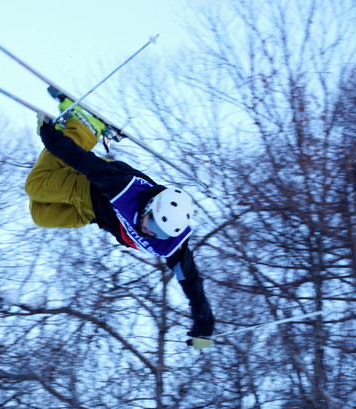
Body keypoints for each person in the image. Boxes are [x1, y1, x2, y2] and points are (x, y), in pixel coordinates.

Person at [25, 96, 215, 349]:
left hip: (92, 215)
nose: (150, 232)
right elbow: (81, 160)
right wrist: (48, 135)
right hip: (92, 188)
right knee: (35, 186)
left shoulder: (172, 245)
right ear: (150, 207)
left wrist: (204, 327)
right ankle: (84, 128)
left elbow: (192, 284)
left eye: (158, 232)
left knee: (40, 215)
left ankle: (72, 149)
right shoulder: (124, 189)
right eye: (152, 224)